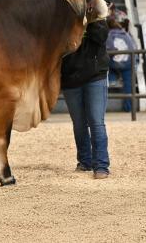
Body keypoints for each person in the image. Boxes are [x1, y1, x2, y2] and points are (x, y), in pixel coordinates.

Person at [61, 19, 110, 179]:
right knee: (79, 124)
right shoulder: (61, 17)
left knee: (96, 122)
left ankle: (101, 165)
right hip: (70, 77)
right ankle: (85, 161)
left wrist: (88, 19)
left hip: (95, 76)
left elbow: (101, 36)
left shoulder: (96, 15)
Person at [106, 19, 137, 112]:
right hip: (128, 62)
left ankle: (112, 79)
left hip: (114, 63)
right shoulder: (127, 35)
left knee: (106, 64)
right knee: (128, 86)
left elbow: (110, 49)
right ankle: (129, 108)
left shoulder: (108, 35)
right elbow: (134, 47)